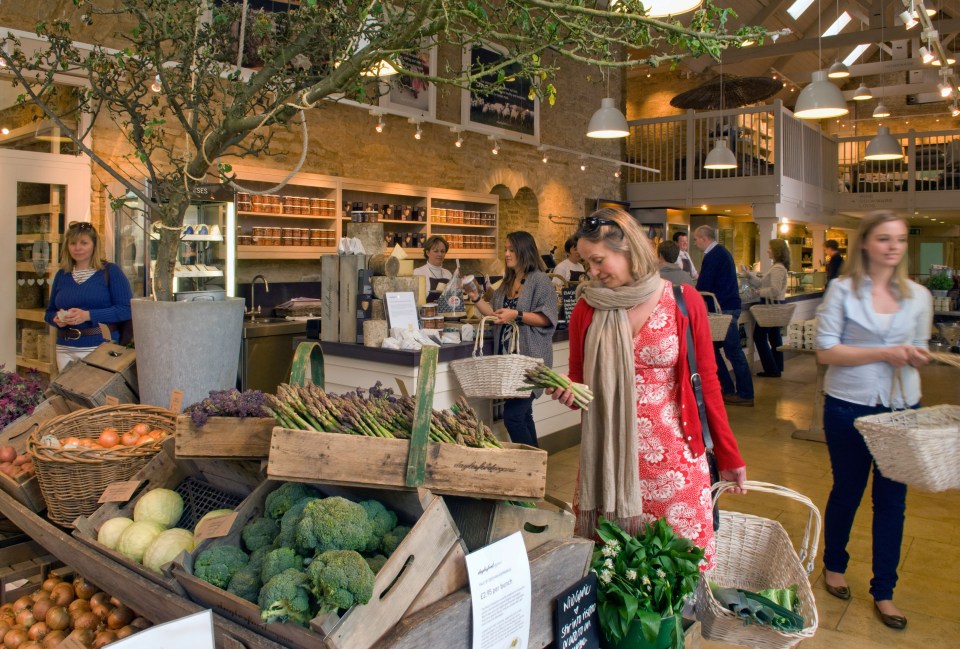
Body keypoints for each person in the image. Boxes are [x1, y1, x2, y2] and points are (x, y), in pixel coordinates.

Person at [550, 208, 746, 569]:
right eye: (586, 263)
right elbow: (580, 384)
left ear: (629, 249)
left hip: (673, 462)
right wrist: (569, 391)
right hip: (607, 461)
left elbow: (709, 382)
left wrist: (729, 455)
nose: (592, 272)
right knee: (616, 574)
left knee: (676, 572)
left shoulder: (683, 300)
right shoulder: (587, 308)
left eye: (598, 261)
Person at [815, 211, 931, 631]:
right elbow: (826, 351)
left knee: (892, 502)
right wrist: (883, 352)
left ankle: (884, 590)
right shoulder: (843, 291)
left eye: (899, 239)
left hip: (901, 410)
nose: (893, 247)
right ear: (866, 243)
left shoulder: (918, 296)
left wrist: (917, 354)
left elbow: (917, 346)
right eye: (884, 238)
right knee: (847, 490)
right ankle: (833, 565)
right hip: (849, 406)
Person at [463, 231, 557, 447]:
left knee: (513, 417)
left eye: (511, 250)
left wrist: (517, 315)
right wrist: (475, 297)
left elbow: (547, 317)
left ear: (524, 251)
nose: (506, 254)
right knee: (524, 416)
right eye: (505, 249)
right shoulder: (506, 283)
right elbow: (494, 312)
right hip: (509, 364)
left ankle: (528, 466)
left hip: (531, 361)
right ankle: (536, 467)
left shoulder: (540, 280)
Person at [45, 222, 133, 371]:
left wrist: (88, 315)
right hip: (64, 348)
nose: (77, 248)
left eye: (84, 243)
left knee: (95, 393)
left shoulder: (110, 272)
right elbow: (49, 312)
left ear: (94, 245)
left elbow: (126, 309)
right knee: (67, 393)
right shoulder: (62, 275)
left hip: (100, 347)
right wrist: (56, 319)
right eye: (73, 243)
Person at [694, 225, 754, 406]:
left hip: (724, 310)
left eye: (696, 239)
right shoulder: (722, 252)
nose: (695, 243)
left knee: (732, 352)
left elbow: (704, 284)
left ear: (704, 238)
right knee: (716, 350)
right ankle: (727, 389)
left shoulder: (713, 255)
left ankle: (744, 393)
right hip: (728, 308)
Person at [742, 239, 790, 378]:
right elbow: (762, 283)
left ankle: (771, 369)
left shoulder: (777, 269)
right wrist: (749, 275)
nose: (767, 250)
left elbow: (774, 290)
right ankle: (776, 367)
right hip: (774, 305)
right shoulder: (777, 267)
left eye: (769, 248)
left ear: (776, 251)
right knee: (774, 337)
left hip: (770, 305)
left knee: (760, 336)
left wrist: (759, 293)